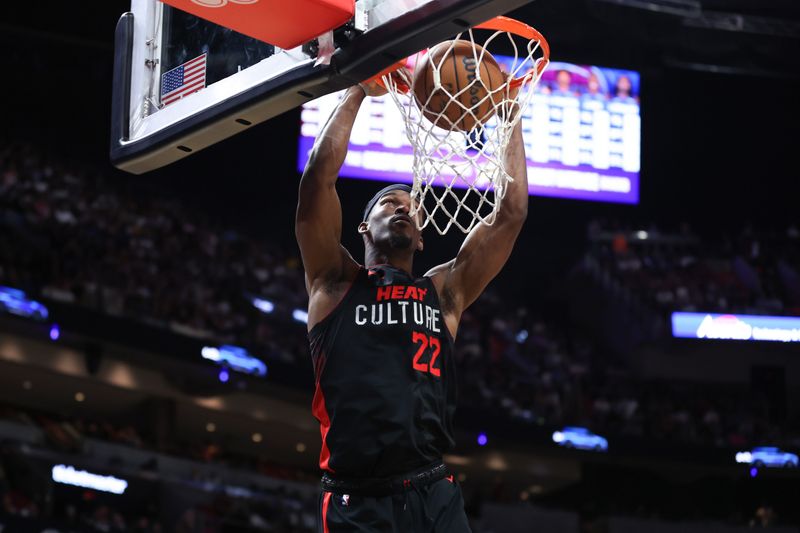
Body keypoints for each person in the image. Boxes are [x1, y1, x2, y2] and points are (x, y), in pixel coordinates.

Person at [295, 72, 529, 532]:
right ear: (363, 229)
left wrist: (510, 112)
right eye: (388, 203)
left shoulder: (444, 291)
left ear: (421, 240)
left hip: (434, 492)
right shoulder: (334, 283)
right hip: (357, 499)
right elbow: (318, 182)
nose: (402, 207)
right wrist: (359, 88)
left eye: (409, 205)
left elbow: (511, 212)